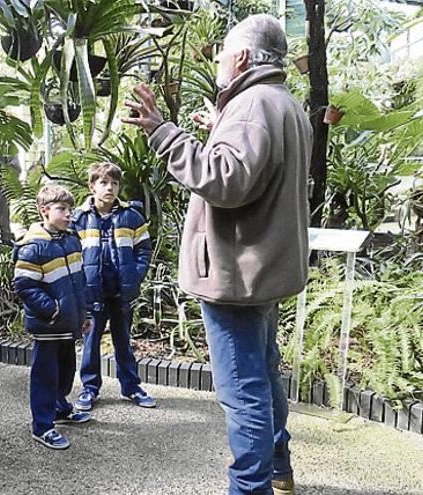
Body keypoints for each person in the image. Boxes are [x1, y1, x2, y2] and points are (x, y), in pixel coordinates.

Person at [125, 14, 310, 495]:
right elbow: (254, 167)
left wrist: (164, 133)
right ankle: (278, 468)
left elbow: (225, 181)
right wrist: (219, 126)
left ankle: (250, 488)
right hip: (263, 271)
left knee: (242, 391)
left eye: (223, 52)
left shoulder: (251, 106)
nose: (219, 60)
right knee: (265, 376)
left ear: (243, 57)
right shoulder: (284, 103)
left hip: (236, 278)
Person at [13, 184, 92, 450]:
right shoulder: (32, 246)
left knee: (66, 369)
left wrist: (84, 312)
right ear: (44, 211)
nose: (69, 214)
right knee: (45, 375)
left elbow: (80, 281)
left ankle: (60, 407)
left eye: (70, 209)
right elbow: (24, 285)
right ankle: (42, 425)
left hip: (69, 324)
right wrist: (54, 309)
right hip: (48, 325)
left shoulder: (71, 239)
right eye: (61, 209)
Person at [72, 162, 155, 411]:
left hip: (122, 292)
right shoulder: (80, 219)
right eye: (104, 183)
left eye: (114, 183)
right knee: (91, 341)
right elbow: (72, 255)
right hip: (92, 292)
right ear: (92, 186)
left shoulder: (131, 216)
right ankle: (89, 388)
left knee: (123, 340)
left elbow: (143, 250)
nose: (110, 188)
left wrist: (136, 276)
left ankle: (131, 387)